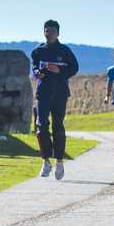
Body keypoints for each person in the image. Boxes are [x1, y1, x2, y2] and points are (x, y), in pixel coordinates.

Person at [31, 19, 79, 180]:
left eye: (52, 31)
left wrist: (59, 70)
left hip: (59, 94)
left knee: (58, 126)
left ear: (58, 33)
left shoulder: (64, 51)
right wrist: (37, 73)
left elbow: (74, 68)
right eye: (46, 30)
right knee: (41, 126)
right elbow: (34, 68)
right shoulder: (38, 51)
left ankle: (59, 161)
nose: (49, 33)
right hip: (43, 93)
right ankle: (45, 161)